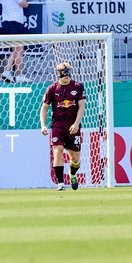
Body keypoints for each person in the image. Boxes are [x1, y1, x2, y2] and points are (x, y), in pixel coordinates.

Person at [40, 62, 85, 191]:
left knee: (75, 158)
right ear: (58, 74)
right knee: (57, 150)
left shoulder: (78, 86)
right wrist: (43, 125)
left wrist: (76, 123)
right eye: (63, 73)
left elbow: (82, 106)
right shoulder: (52, 89)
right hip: (57, 125)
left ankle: (72, 174)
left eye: (67, 72)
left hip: (73, 126)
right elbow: (44, 108)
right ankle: (60, 183)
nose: (66, 76)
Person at [0, 0, 31, 83]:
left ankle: (7, 72)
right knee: (19, 50)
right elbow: (25, 4)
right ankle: (19, 75)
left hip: (6, 24)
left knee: (15, 51)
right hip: (15, 24)